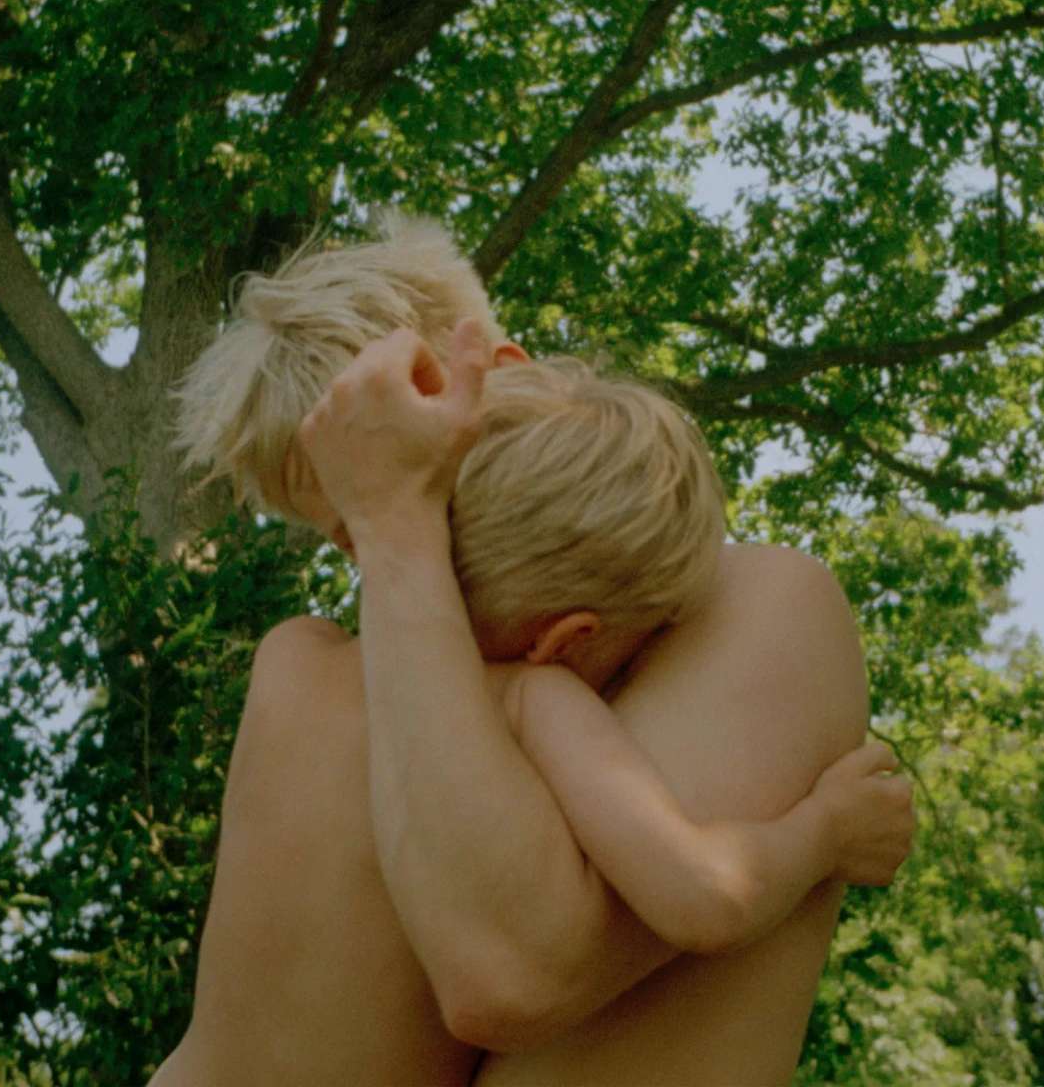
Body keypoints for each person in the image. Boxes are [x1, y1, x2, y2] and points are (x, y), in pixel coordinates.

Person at [153, 218, 910, 1086]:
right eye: (350, 539)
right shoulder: (521, 694)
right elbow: (694, 896)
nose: (379, 580)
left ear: (499, 377)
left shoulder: (296, 659)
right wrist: (822, 835)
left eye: (394, 494)